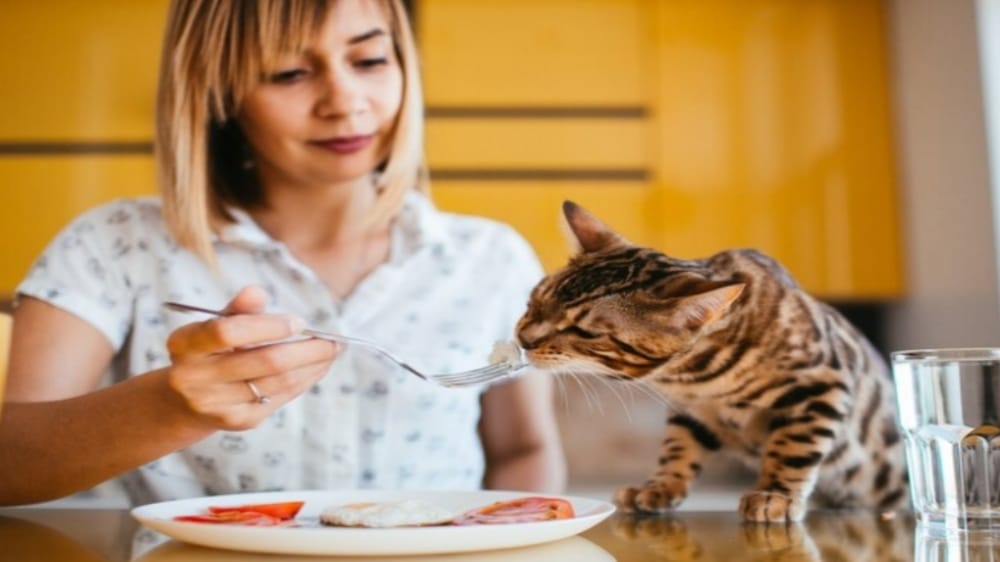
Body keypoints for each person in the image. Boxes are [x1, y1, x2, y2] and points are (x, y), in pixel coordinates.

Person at [0, 0, 566, 507]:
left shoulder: (490, 256)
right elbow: (10, 466)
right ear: (218, 92)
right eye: (289, 73)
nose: (345, 103)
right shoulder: (113, 244)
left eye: (369, 61)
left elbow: (522, 448)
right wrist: (175, 408)